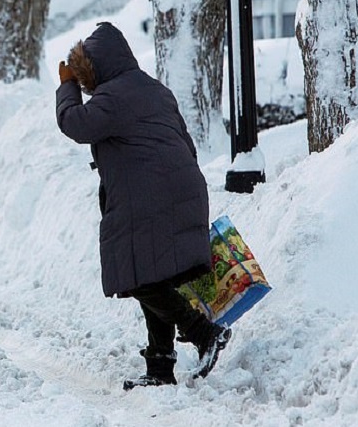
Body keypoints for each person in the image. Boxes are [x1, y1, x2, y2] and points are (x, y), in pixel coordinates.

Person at [55, 21, 230, 389]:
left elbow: (74, 123)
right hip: (182, 190)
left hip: (153, 198)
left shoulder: (113, 97)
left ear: (96, 67)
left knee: (138, 277)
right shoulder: (154, 89)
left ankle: (202, 333)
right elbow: (184, 142)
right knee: (154, 274)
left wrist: (67, 86)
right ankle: (160, 367)